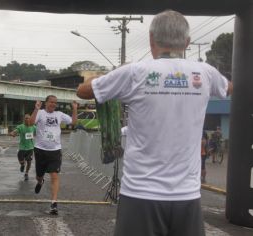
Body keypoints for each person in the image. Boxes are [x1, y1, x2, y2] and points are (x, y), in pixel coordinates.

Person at [76, 10, 232, 236]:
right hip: (187, 196)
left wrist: (111, 74)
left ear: (151, 39)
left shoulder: (134, 72)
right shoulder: (206, 73)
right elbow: (228, 87)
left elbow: (83, 91)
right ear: (187, 43)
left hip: (140, 194)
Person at [30, 95, 77, 215]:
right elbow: (30, 123)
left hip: (55, 150)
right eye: (51, 102)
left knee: (54, 175)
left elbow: (73, 122)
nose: (53, 104)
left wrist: (75, 109)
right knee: (39, 175)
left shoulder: (59, 114)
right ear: (46, 103)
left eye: (55, 103)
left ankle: (54, 203)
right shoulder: (40, 113)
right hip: (40, 150)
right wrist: (36, 109)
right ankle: (40, 182)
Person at [10, 114, 36, 181]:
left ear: (30, 119)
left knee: (29, 161)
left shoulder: (33, 127)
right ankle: (22, 165)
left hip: (30, 148)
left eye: (28, 118)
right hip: (22, 148)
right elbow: (16, 131)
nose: (27, 119)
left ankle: (26, 173)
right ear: (24, 119)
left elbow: (39, 132)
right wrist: (13, 133)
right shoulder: (21, 127)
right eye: (26, 118)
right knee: (21, 160)